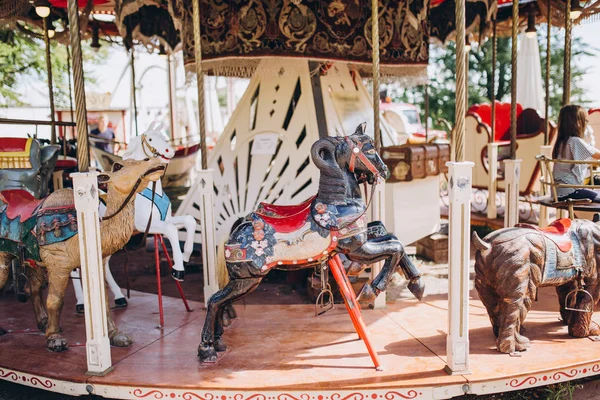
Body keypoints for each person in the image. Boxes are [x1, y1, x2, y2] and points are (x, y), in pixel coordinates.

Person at [552, 105, 600, 202]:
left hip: (558, 191)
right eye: (585, 121)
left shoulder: (562, 142)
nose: (586, 124)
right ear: (578, 123)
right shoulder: (575, 141)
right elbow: (597, 155)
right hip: (570, 191)